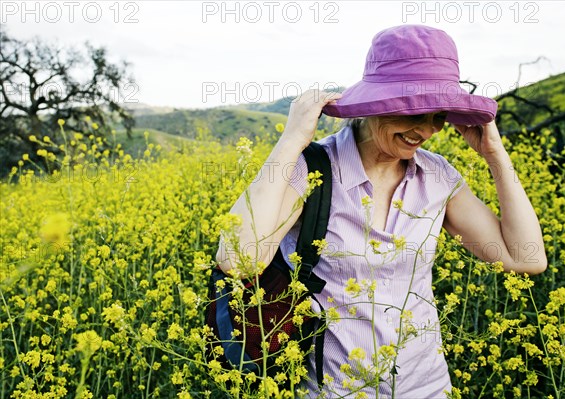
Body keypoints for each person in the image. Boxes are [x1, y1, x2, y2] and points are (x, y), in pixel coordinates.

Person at [216, 24, 547, 398]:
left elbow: (526, 258)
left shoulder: (437, 176)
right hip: (333, 391)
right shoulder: (313, 169)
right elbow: (237, 260)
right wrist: (292, 140)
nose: (426, 130)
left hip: (428, 388)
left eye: (439, 117)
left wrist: (495, 155)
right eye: (413, 114)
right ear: (379, 103)